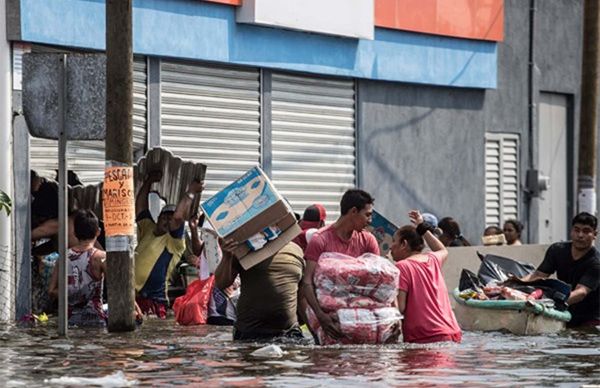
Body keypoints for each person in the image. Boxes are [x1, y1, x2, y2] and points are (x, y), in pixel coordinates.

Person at [302, 189, 380, 340]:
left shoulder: (368, 240)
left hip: (362, 318)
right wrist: (321, 316)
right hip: (330, 319)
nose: (370, 221)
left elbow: (382, 281)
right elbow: (307, 283)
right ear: (353, 211)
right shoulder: (320, 240)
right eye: (368, 215)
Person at [134, 170, 204, 318]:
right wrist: (149, 180)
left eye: (171, 219)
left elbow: (178, 218)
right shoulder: (148, 228)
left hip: (154, 301)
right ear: (158, 218)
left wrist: (191, 192)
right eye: (165, 217)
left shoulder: (174, 242)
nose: (168, 221)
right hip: (134, 297)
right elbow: (140, 206)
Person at [390, 210, 462, 344]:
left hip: (427, 337)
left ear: (404, 244)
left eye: (394, 241)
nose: (390, 246)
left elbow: (400, 307)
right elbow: (442, 250)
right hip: (452, 332)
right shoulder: (432, 259)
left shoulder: (402, 267)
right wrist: (422, 228)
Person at [519, 212, 599, 327]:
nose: (580, 235)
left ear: (594, 234)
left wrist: (551, 303)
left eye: (586, 231)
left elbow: (581, 292)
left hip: (590, 318)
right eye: (576, 230)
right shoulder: (557, 250)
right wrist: (514, 285)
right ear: (571, 231)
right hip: (564, 314)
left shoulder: (595, 262)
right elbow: (538, 275)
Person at [215, 240, 305, 340]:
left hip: (288, 332)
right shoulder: (245, 249)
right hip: (249, 332)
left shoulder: (296, 250)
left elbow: (302, 295)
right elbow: (221, 283)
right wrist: (227, 256)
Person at [48, 209, 107, 327]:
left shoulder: (63, 258)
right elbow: (118, 288)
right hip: (95, 321)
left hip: (68, 322)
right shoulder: (101, 257)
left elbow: (51, 291)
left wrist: (72, 291)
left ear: (74, 233)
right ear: (98, 232)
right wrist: (136, 309)